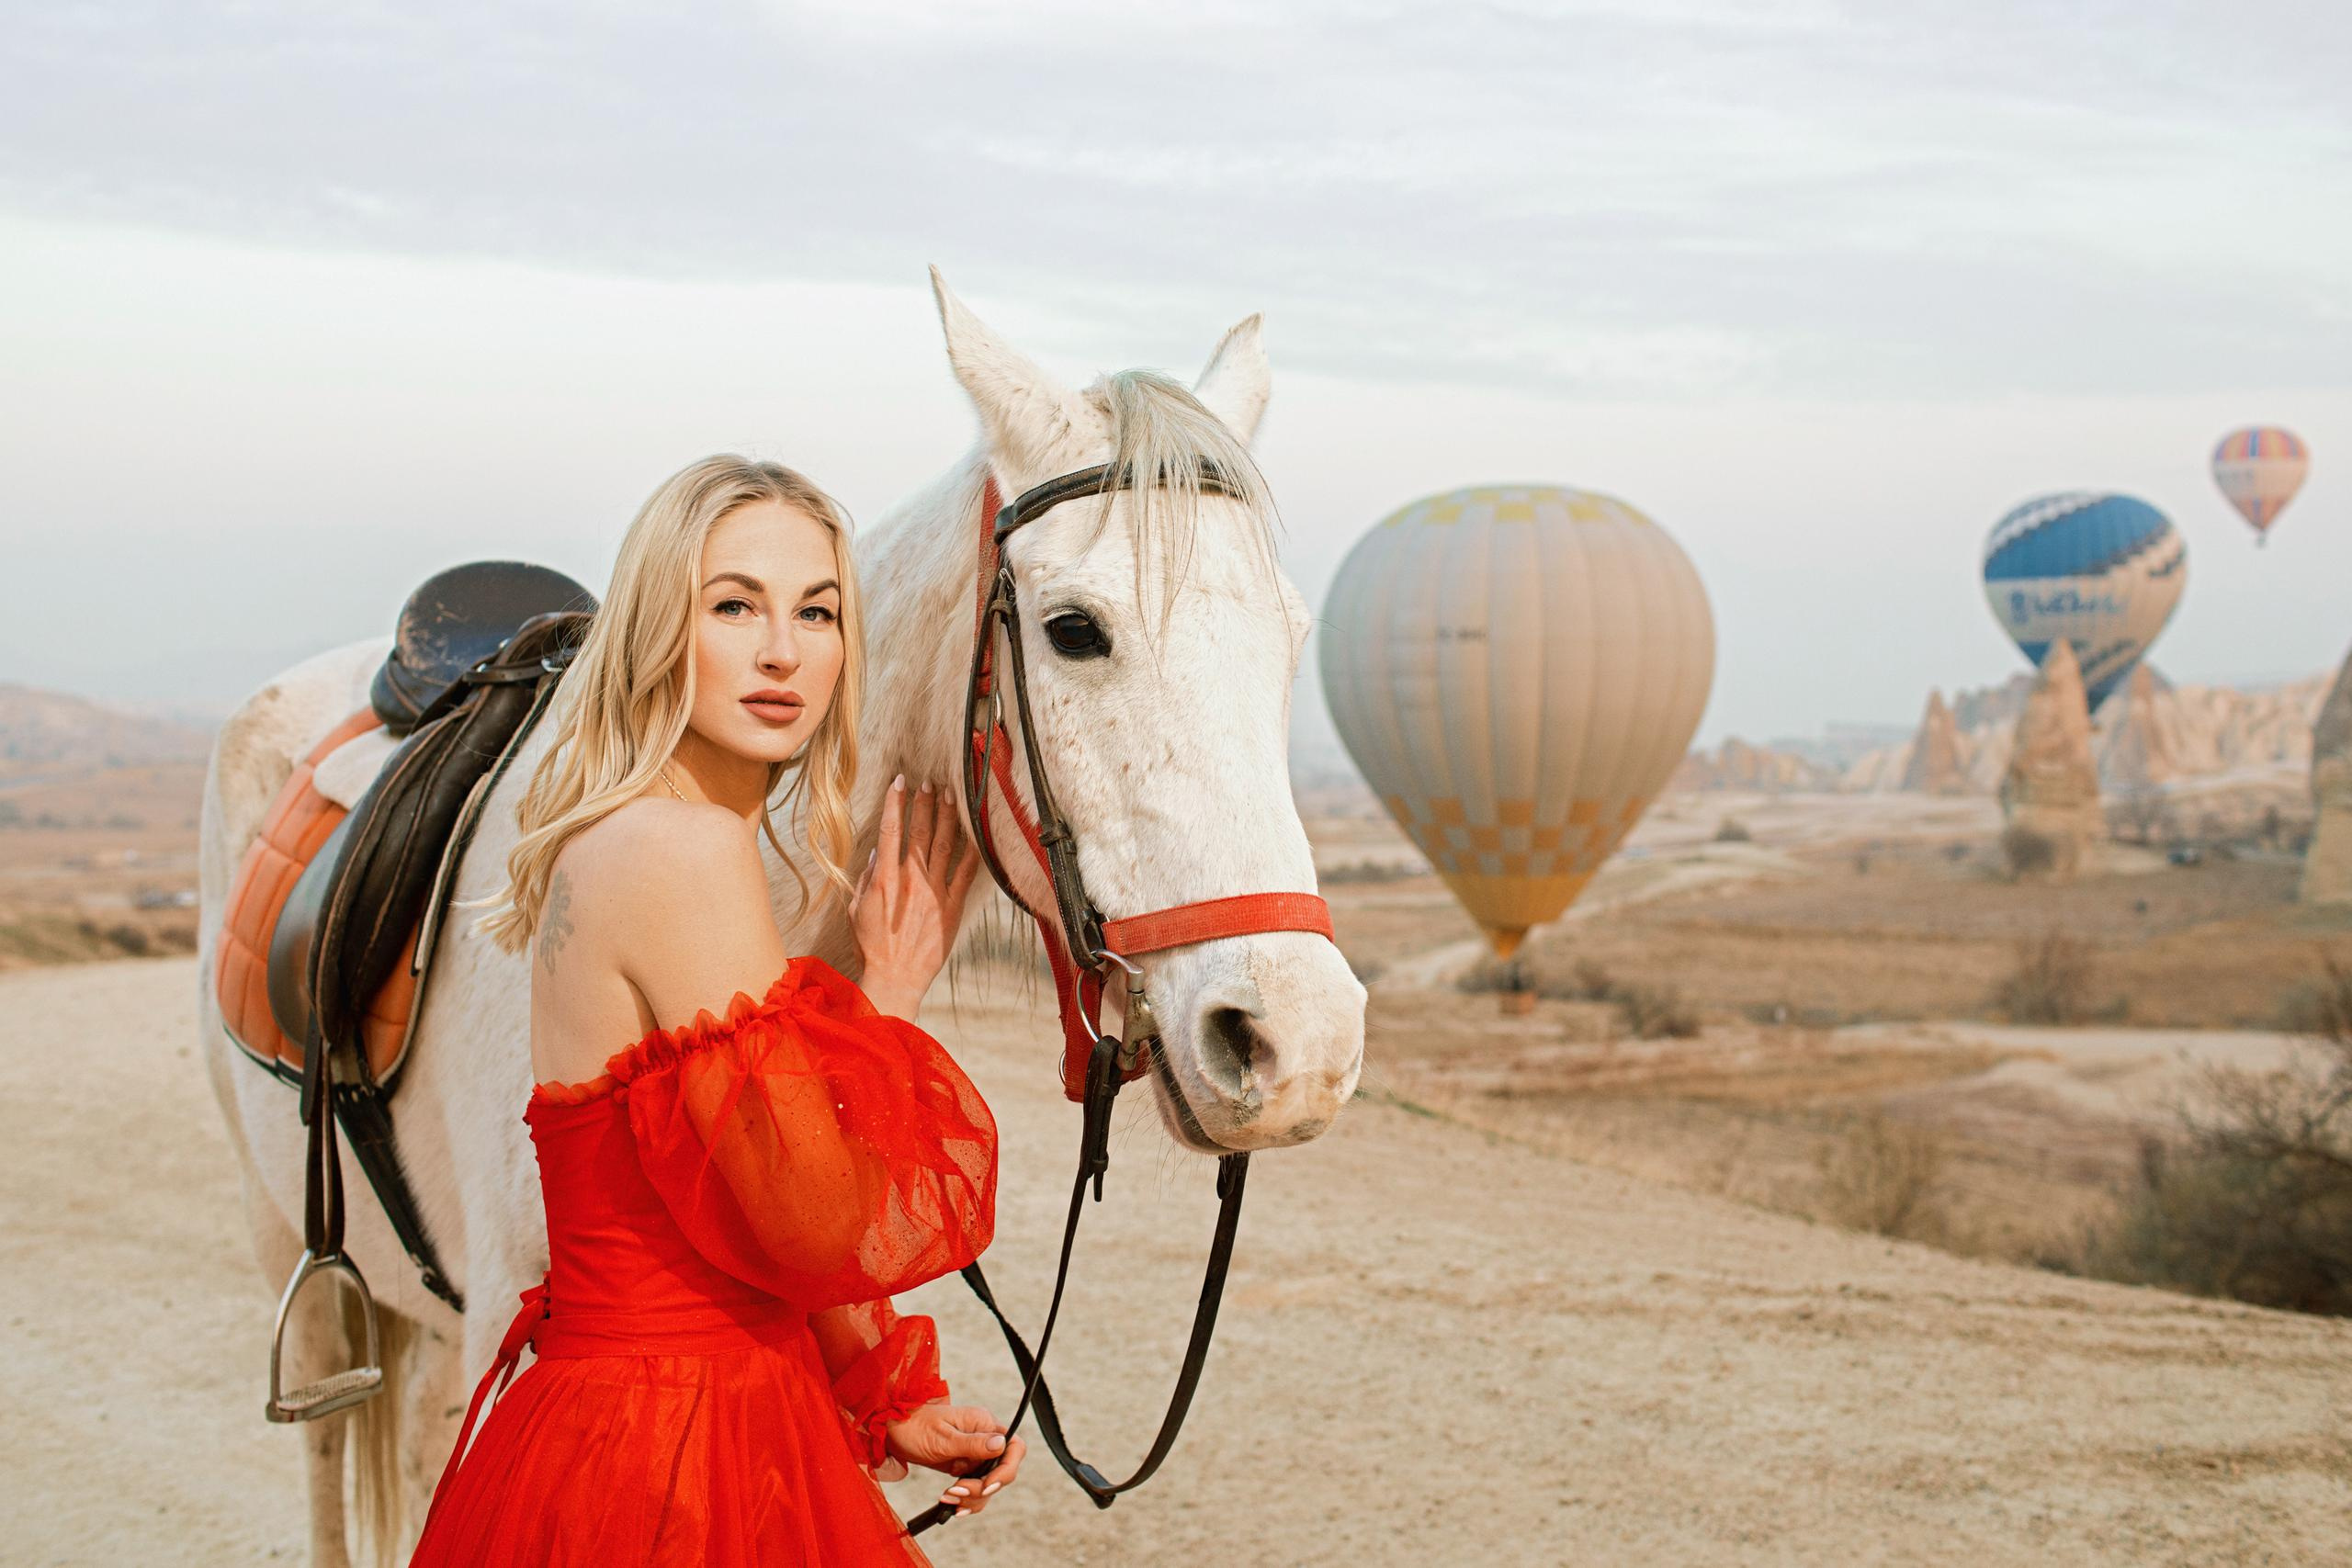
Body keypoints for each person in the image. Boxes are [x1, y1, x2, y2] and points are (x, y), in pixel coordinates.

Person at [410, 455, 1023, 1566]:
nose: (783, 650)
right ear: (657, 628)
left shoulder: (630, 833)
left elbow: (744, 1205)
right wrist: (888, 994)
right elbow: (816, 1216)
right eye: (734, 606)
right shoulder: (682, 848)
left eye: (817, 612)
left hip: (639, 1420)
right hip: (677, 1444)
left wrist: (885, 1401)